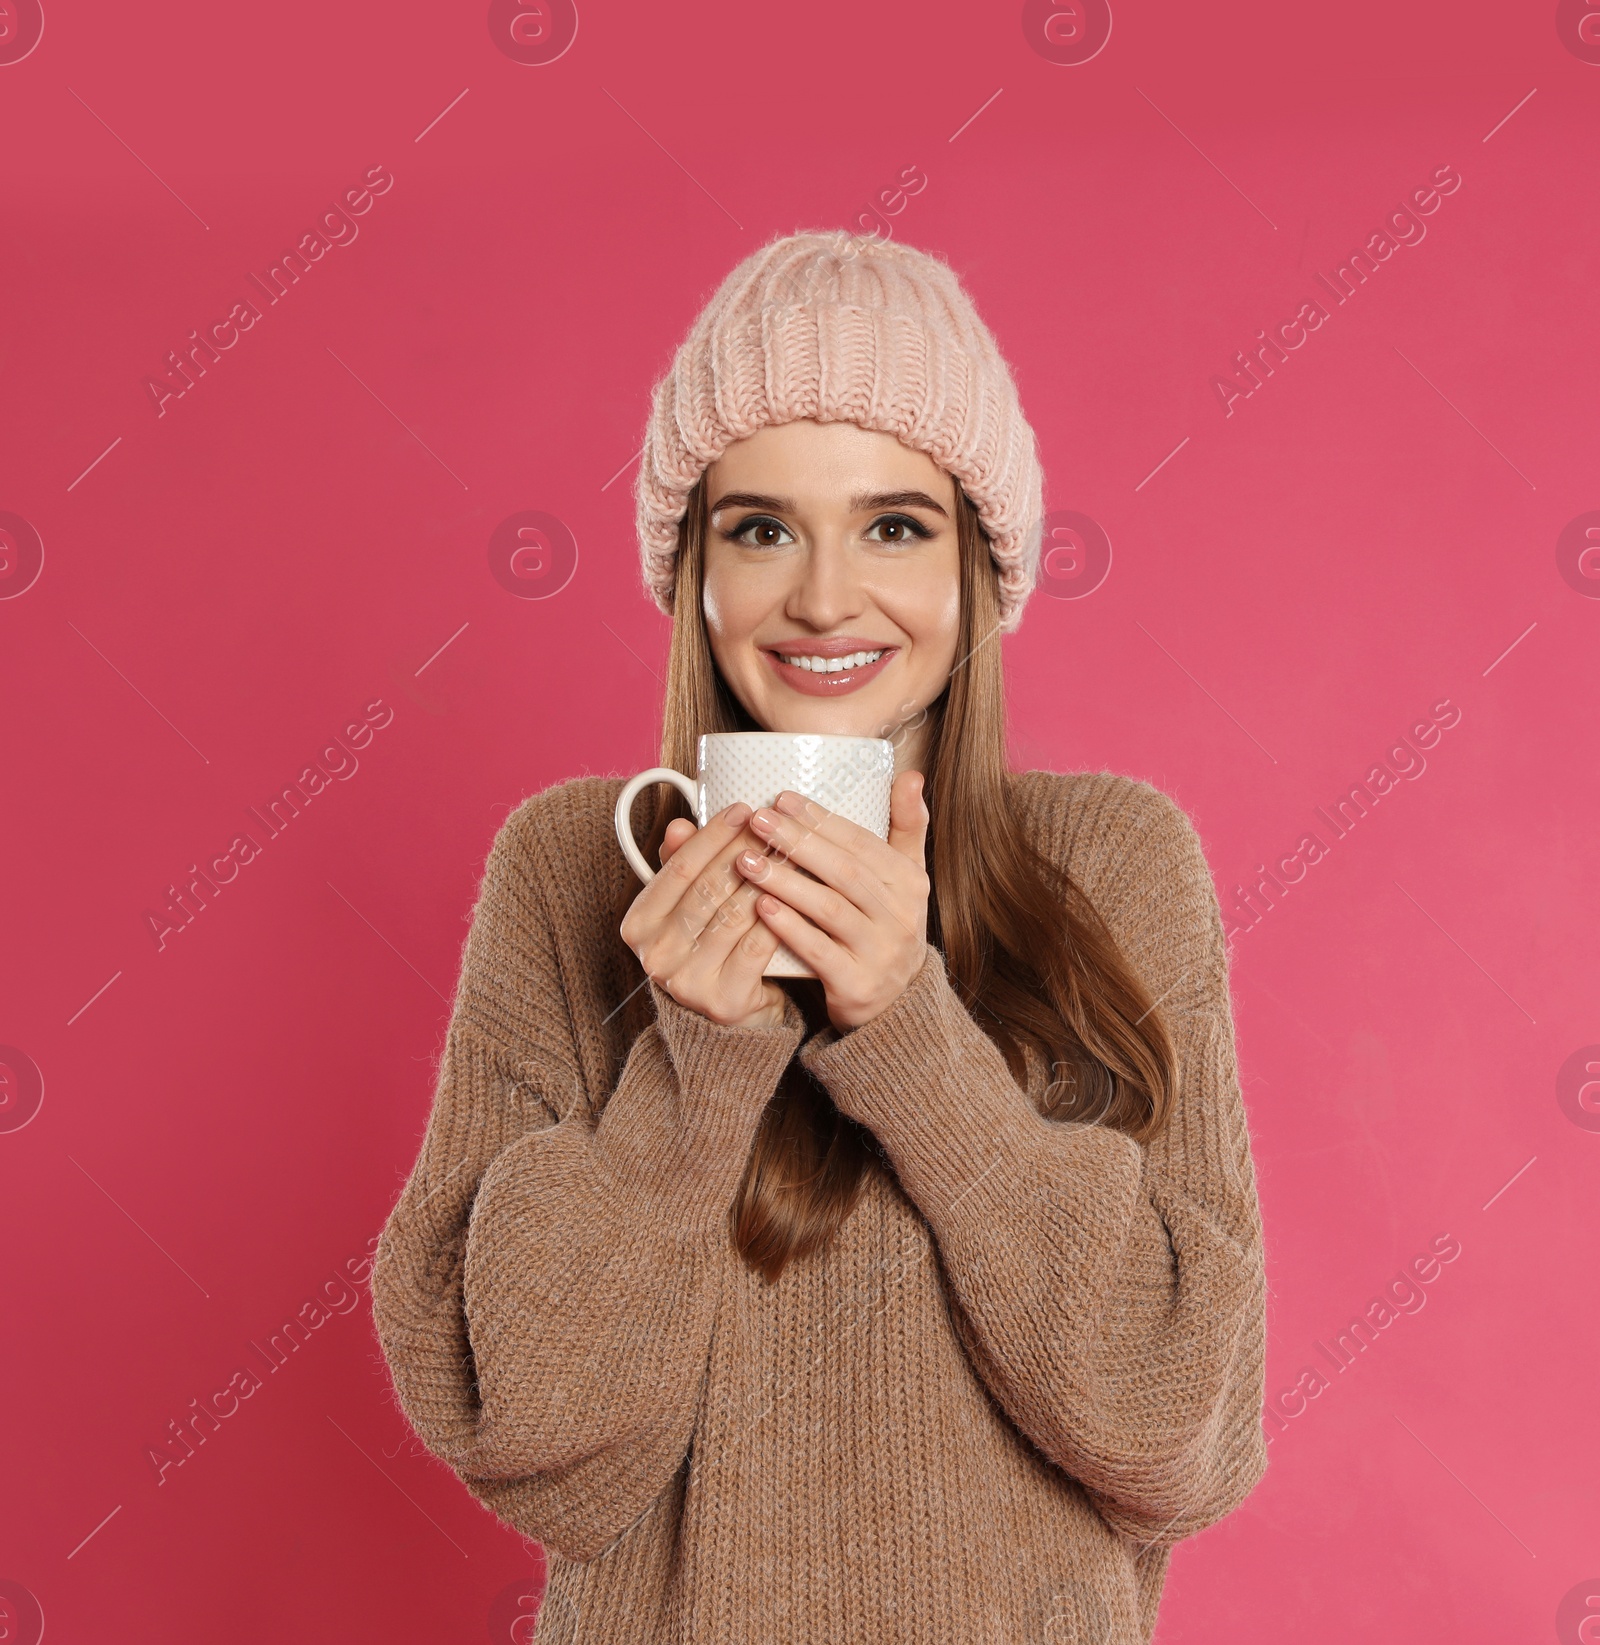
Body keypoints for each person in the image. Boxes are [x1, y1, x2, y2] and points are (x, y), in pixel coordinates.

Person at [371, 230, 1268, 1643]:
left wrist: (913, 1030)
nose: (826, 597)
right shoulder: (566, 868)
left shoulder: (1113, 860)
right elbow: (533, 1440)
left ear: (978, 565)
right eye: (764, 526)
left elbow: (1177, 1432)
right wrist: (694, 1068)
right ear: (696, 569)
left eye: (894, 525)